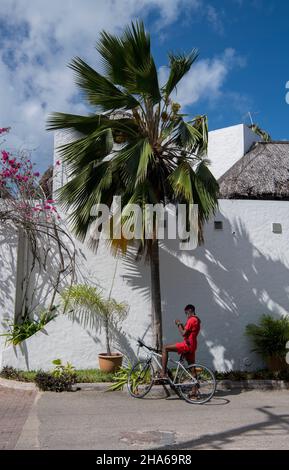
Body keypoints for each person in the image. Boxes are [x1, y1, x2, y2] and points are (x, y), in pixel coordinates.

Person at [160, 304, 201, 378]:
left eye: (186, 313)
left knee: (165, 348)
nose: (186, 315)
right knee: (192, 367)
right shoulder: (196, 320)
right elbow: (187, 332)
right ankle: (195, 387)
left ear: (190, 311)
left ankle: (163, 373)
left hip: (187, 345)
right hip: (192, 345)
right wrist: (181, 325)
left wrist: (178, 324)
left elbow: (183, 333)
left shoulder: (191, 320)